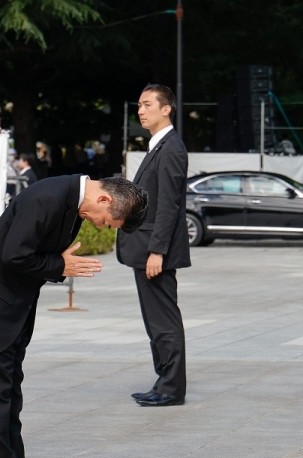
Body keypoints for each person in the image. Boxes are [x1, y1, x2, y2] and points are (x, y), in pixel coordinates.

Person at [0, 175, 146, 458]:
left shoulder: (69, 200)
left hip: (12, 310)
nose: (102, 227)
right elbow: (14, 254)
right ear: (104, 200)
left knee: (9, 400)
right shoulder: (49, 197)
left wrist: (57, 262)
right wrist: (60, 264)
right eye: (108, 223)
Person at [117, 84, 192, 407]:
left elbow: (169, 206)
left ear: (167, 109)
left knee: (164, 322)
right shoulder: (157, 147)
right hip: (145, 249)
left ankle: (172, 388)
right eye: (139, 106)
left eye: (148, 105)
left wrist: (157, 250)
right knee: (155, 322)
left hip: (155, 252)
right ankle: (163, 381)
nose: (141, 111)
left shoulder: (172, 148)